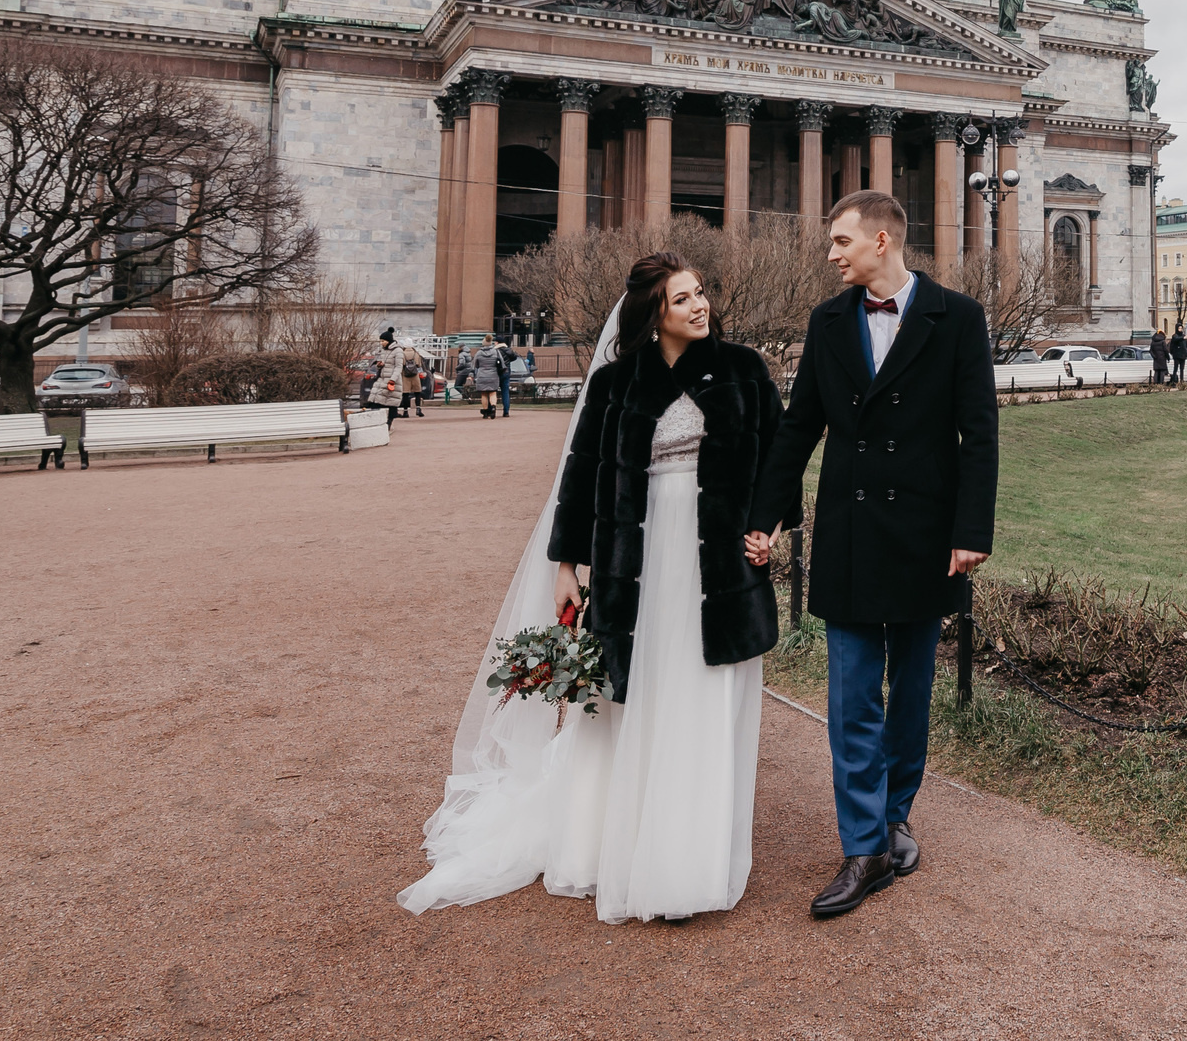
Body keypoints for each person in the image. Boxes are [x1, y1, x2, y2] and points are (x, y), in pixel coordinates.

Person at [397, 252, 784, 922]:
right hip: (634, 565)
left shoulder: (744, 370)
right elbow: (581, 479)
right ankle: (613, 844)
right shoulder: (613, 384)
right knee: (628, 698)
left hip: (720, 568)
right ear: (653, 314)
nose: (700, 306)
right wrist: (565, 565)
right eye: (682, 298)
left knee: (704, 695)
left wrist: (769, 525)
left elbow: (779, 459)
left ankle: (685, 860)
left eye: (700, 293)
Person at [750, 190, 997, 921]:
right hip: (851, 533)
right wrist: (765, 517)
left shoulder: (959, 317)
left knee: (911, 694)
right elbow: (799, 428)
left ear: (881, 240)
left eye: (841, 241)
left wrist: (971, 530)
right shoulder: (827, 320)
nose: (831, 254)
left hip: (926, 536)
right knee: (852, 695)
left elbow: (979, 433)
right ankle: (863, 847)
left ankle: (894, 817)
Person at [471, 334, 504, 418]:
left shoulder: (479, 353)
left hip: (482, 375)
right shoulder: (496, 352)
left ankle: (485, 412)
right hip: (493, 375)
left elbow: (475, 364)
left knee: (484, 394)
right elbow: (501, 363)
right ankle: (493, 407)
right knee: (493, 392)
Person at [400, 342, 427, 417]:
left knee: (405, 394)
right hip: (415, 375)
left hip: (405, 375)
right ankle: (418, 409)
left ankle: (405, 412)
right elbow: (419, 365)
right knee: (417, 392)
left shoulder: (402, 353)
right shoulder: (416, 353)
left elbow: (402, 364)